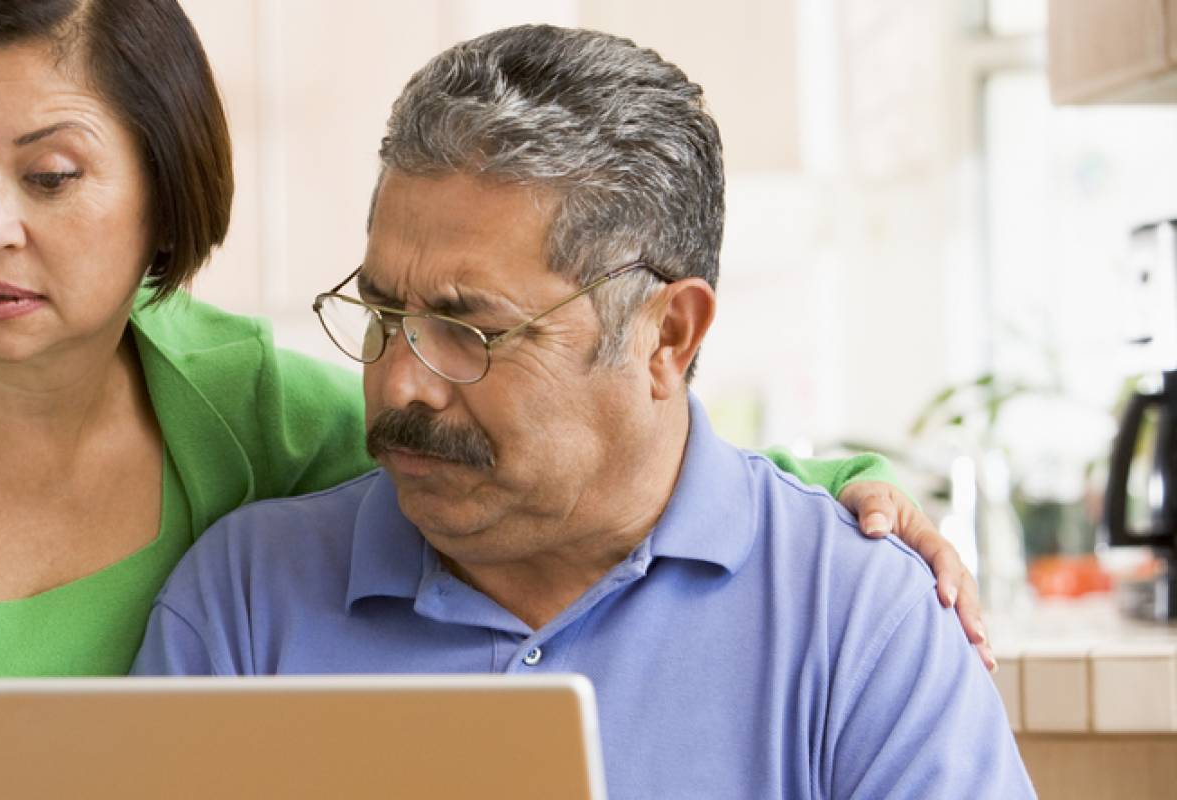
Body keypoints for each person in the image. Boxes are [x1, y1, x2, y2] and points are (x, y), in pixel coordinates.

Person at [0, 2, 978, 796]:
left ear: (159, 206)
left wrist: (828, 494)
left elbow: (584, 463)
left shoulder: (244, 404)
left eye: (51, 177)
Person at [133, 24, 1031, 799]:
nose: (399, 384)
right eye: (382, 314)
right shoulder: (242, 608)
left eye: (465, 328)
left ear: (667, 336)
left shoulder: (861, 621)